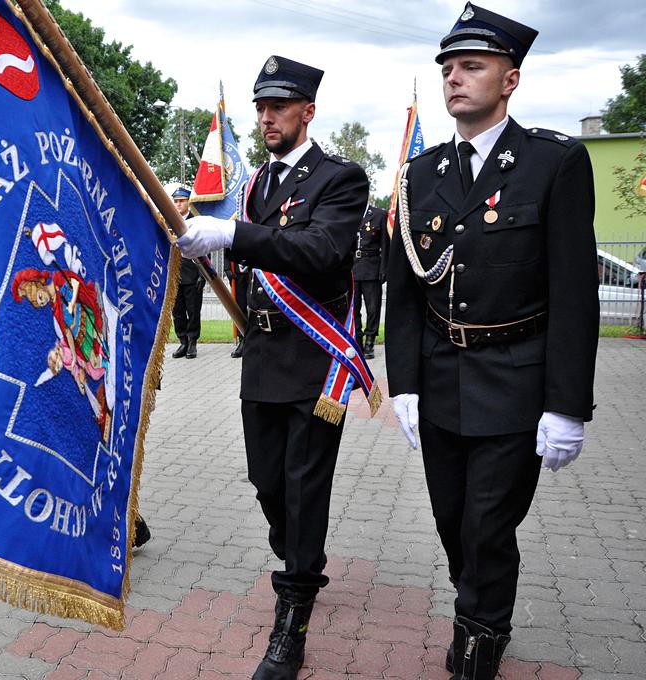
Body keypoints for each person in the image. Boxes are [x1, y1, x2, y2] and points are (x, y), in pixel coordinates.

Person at [384, 5, 599, 679]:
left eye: (471, 66)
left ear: (510, 79)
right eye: (447, 67)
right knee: (453, 524)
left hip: (516, 377)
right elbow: (405, 292)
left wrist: (567, 405)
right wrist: (405, 384)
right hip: (442, 377)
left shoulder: (553, 162)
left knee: (487, 526)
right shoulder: (420, 175)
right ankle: (475, 604)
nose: (454, 79)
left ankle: (480, 639)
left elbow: (573, 293)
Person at [177, 56, 368, 680]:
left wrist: (231, 232)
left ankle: (292, 622)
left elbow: (321, 250)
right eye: (261, 107)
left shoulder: (341, 178)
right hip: (261, 358)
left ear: (307, 112)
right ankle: (299, 558)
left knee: (305, 484)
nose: (266, 118)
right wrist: (210, 246)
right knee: (268, 482)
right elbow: (251, 262)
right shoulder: (257, 184)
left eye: (278, 107)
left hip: (318, 364)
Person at [167, 184, 204, 359]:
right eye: (175, 201)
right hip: (175, 276)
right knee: (178, 312)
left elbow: (205, 249)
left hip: (193, 274)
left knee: (193, 310)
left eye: (182, 201)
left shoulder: (197, 222)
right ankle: (182, 341)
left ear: (189, 203)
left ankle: (192, 342)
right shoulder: (168, 223)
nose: (178, 205)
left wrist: (203, 275)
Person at [352, 200, 388, 359]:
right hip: (352, 268)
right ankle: (357, 340)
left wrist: (384, 268)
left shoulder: (379, 215)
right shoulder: (349, 214)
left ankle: (370, 342)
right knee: (354, 308)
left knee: (373, 308)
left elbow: (386, 245)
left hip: (371, 268)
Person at [223, 247, 251, 358]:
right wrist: (227, 268)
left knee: (255, 306)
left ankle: (255, 338)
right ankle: (242, 339)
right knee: (240, 307)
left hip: (253, 271)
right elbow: (227, 248)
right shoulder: (233, 229)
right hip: (238, 274)